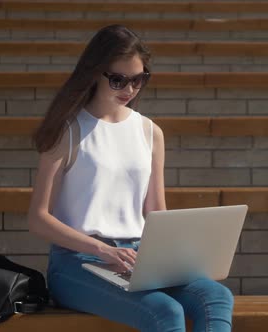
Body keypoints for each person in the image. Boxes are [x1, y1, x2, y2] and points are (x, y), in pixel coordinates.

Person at [27, 25, 234, 332]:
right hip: (77, 262)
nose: (129, 89)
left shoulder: (150, 132)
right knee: (165, 312)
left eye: (138, 80)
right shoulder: (68, 131)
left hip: (139, 258)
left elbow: (155, 211)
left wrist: (180, 254)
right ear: (95, 73)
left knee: (216, 296)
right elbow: (38, 218)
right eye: (118, 80)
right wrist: (103, 250)